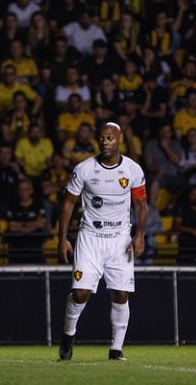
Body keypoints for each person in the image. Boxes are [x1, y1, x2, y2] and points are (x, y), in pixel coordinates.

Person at [57, 122, 147, 361]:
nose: (105, 142)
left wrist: (140, 235)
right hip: (90, 238)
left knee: (120, 294)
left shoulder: (133, 170)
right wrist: (63, 238)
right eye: (102, 138)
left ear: (121, 139)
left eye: (110, 138)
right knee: (80, 294)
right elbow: (67, 204)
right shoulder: (84, 169)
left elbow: (140, 204)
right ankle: (68, 336)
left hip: (119, 239)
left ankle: (116, 351)